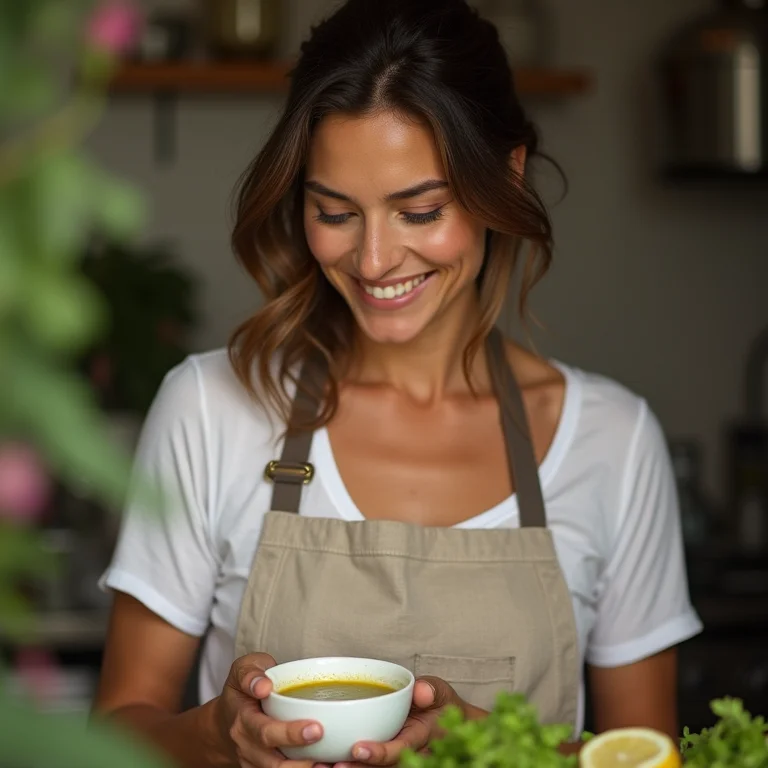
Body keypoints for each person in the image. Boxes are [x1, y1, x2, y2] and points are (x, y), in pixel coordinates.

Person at [93, 0, 703, 766]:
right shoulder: (213, 410)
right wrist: (218, 735)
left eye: (419, 210)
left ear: (504, 176)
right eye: (335, 211)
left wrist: (489, 747)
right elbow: (116, 730)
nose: (375, 260)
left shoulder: (611, 440)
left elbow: (648, 756)